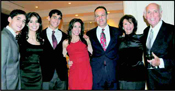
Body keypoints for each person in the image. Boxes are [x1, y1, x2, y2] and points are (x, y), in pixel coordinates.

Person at [86, 6, 122, 90]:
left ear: (107, 16)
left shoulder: (118, 32)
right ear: (95, 18)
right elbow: (86, 52)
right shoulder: (89, 34)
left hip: (114, 74)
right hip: (96, 76)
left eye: (102, 15)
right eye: (97, 16)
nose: (100, 18)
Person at [143, 3, 175, 89]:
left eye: (155, 11)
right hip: (150, 82)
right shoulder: (145, 32)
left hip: (168, 82)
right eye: (149, 12)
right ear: (145, 16)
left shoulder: (172, 30)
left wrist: (161, 62)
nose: (152, 15)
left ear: (160, 13)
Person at [40, 9, 68, 90]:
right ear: (48, 18)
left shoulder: (65, 36)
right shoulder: (40, 35)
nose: (57, 20)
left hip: (62, 74)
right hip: (46, 75)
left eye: (59, 18)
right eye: (54, 17)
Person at [62, 18, 93, 90]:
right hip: (74, 74)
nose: (77, 29)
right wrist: (67, 63)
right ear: (71, 28)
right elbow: (62, 58)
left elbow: (91, 53)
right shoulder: (66, 42)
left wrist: (89, 41)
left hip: (86, 73)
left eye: (79, 27)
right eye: (75, 26)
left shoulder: (85, 39)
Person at [117, 15, 146, 90]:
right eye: (125, 24)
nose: (128, 26)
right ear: (122, 26)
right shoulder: (118, 40)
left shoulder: (141, 38)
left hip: (137, 76)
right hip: (123, 76)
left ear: (134, 25)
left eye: (130, 23)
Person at [1, 9, 26, 90]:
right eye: (18, 19)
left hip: (13, 83)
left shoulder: (12, 36)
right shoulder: (4, 36)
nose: (21, 23)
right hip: (7, 85)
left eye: (23, 21)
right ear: (9, 19)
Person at [17, 12, 43, 90]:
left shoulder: (42, 41)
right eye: (31, 21)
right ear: (27, 23)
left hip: (38, 77)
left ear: (39, 23)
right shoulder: (20, 39)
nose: (34, 24)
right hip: (24, 78)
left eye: (36, 21)